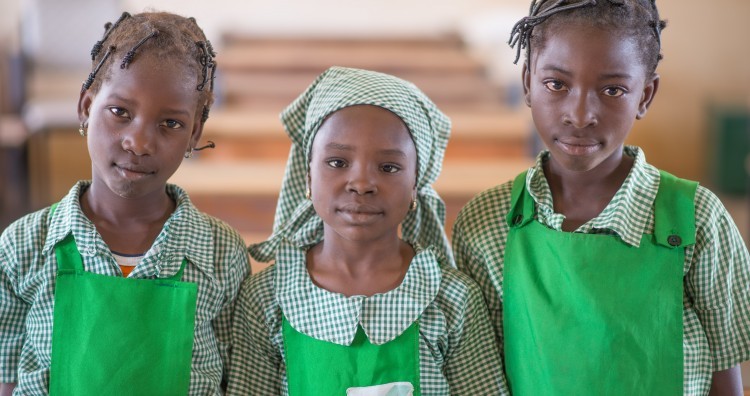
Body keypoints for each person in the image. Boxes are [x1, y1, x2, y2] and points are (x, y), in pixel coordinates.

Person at [451, 1, 750, 395]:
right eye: (556, 84)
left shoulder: (696, 217)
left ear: (645, 94)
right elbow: (481, 378)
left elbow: (726, 372)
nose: (580, 114)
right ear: (527, 83)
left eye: (613, 89)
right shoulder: (485, 224)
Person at [0, 12, 249, 395]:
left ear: (194, 133)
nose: (139, 142)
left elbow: (239, 383)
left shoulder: (221, 252)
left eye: (170, 124)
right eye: (120, 112)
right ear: (86, 106)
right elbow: (6, 379)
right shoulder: (23, 246)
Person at [227, 66, 508, 395]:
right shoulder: (267, 298)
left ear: (416, 184)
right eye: (337, 162)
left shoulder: (453, 298)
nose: (361, 184)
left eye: (389, 167)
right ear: (307, 175)